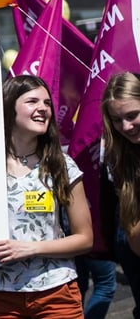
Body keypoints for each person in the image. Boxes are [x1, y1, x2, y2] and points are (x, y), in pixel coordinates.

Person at [0, 75, 92, 319]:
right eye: (32, 101)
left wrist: (30, 248)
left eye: (47, 103)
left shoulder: (61, 165)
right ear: (9, 107)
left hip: (56, 292)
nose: (43, 108)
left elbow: (85, 239)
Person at [100, 71, 140, 317]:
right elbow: (135, 240)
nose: (125, 126)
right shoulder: (119, 157)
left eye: (132, 115)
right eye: (116, 119)